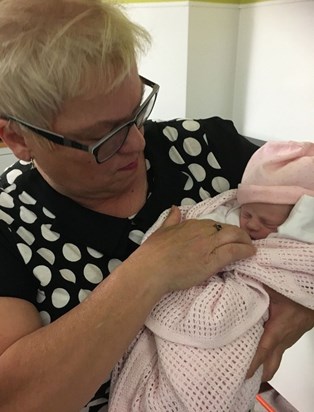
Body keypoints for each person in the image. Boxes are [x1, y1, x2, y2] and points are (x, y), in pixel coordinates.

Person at [0, 1, 312, 410]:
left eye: (137, 112)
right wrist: (150, 271)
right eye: (100, 138)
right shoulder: (9, 222)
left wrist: (302, 300)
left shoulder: (209, 147)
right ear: (18, 139)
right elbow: (16, 399)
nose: (136, 143)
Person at [108, 140, 314, 412]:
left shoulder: (299, 239)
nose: (251, 224)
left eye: (267, 223)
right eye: (248, 213)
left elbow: (300, 266)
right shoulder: (225, 211)